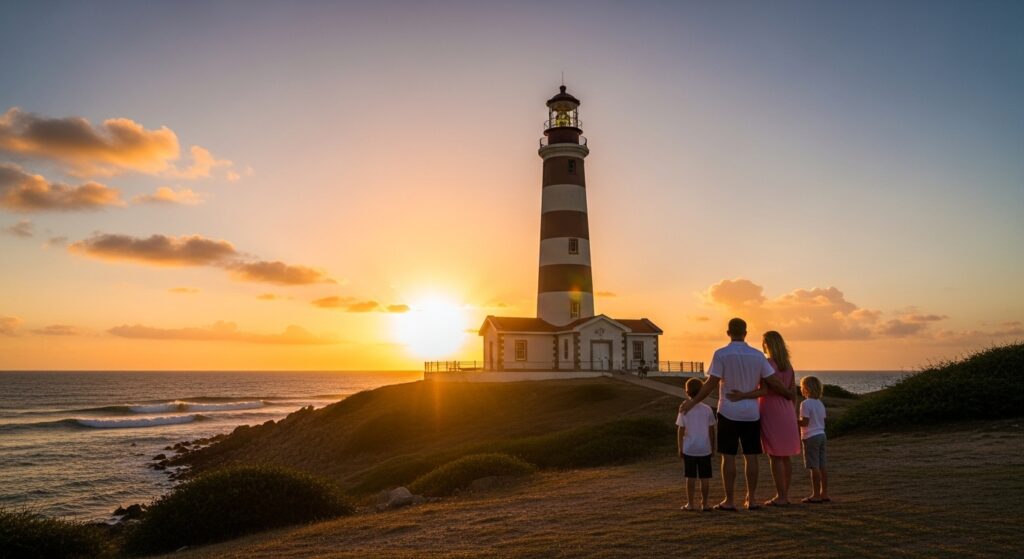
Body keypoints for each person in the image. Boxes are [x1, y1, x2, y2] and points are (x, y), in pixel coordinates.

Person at [679, 318, 790, 511]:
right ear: (745, 333)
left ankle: (729, 500)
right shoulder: (757, 356)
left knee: (728, 457)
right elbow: (773, 381)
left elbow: (711, 384)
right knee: (751, 456)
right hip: (752, 414)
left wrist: (692, 402)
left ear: (728, 332)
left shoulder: (721, 354)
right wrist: (789, 394)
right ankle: (752, 499)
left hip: (728, 412)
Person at [725, 331, 800, 506]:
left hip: (772, 410)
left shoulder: (767, 364)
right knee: (785, 456)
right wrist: (792, 411)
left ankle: (781, 497)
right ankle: (785, 495)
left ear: (768, 344)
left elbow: (765, 390)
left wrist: (744, 395)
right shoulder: (788, 366)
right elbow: (793, 394)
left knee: (775, 455)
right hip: (787, 411)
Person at [676, 378, 717, 511]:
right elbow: (712, 430)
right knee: (705, 477)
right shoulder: (707, 409)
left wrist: (680, 447)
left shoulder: (684, 408)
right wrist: (713, 446)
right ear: (702, 391)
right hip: (704, 448)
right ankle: (704, 504)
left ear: (687, 392)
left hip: (689, 448)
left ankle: (690, 504)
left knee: (690, 477)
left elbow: (680, 430)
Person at [798, 375, 830, 503]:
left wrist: (792, 421)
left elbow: (805, 422)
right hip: (822, 435)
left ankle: (816, 494)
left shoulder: (805, 404)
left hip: (811, 436)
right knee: (822, 466)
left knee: (814, 466)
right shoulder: (820, 403)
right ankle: (824, 493)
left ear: (805, 388)